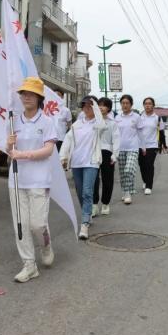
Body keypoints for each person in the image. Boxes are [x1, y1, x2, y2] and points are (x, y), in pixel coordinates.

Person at [6, 77, 57, 283]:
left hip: (39, 180)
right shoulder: (13, 122)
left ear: (39, 97)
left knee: (37, 224)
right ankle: (29, 265)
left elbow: (48, 150)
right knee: (21, 224)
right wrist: (9, 145)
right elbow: (10, 152)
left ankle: (46, 244)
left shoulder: (46, 122)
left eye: (31, 94)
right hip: (17, 180)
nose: (26, 97)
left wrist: (24, 155)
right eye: (23, 94)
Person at [60, 95, 105, 240]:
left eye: (90, 105)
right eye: (84, 105)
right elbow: (67, 140)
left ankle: (84, 223)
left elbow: (102, 124)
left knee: (87, 192)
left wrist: (95, 105)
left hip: (91, 162)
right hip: (77, 162)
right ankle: (88, 213)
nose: (87, 108)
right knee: (80, 192)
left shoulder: (98, 124)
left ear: (94, 107)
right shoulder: (77, 124)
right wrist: (62, 157)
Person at [92, 97, 121, 217]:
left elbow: (116, 140)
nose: (101, 107)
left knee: (107, 179)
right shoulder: (92, 121)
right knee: (93, 179)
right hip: (93, 152)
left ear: (108, 108)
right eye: (99, 105)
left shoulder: (112, 123)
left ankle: (105, 203)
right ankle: (94, 205)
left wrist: (115, 155)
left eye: (104, 105)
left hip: (107, 152)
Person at [114, 94, 140, 205]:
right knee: (122, 173)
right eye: (123, 103)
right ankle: (126, 192)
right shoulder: (117, 118)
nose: (125, 105)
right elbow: (115, 134)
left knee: (128, 169)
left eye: (127, 103)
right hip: (120, 148)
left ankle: (129, 191)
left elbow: (141, 132)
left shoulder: (136, 117)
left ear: (131, 104)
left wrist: (143, 146)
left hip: (133, 147)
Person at [137, 97, 165, 195]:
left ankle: (149, 186)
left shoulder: (157, 118)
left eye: (149, 103)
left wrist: (163, 145)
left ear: (153, 105)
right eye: (146, 104)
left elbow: (161, 133)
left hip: (152, 145)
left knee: (149, 165)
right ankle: (145, 181)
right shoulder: (139, 117)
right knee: (142, 165)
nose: (147, 105)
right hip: (140, 145)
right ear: (143, 105)